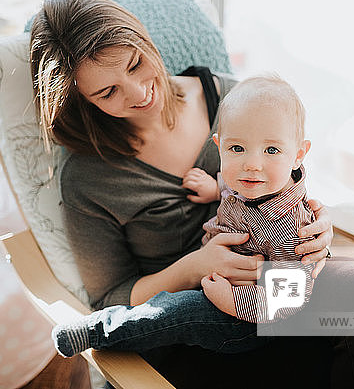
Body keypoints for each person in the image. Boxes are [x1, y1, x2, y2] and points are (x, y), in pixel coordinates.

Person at [30, 0, 354, 388]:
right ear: (82, 101)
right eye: (107, 92)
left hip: (279, 279)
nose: (139, 93)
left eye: (136, 64)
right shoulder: (89, 178)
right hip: (200, 322)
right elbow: (111, 297)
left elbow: (285, 174)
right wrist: (195, 266)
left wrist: (317, 227)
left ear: (144, 40)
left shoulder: (235, 98)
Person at [51, 75, 317, 356]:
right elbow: (239, 193)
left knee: (179, 312)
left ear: (299, 154)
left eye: (272, 150)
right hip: (212, 286)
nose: (251, 164)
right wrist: (215, 189)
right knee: (177, 305)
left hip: (247, 320)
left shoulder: (292, 230)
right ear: (219, 145)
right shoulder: (249, 185)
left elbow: (288, 299)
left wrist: (233, 300)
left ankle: (100, 331)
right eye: (236, 149)